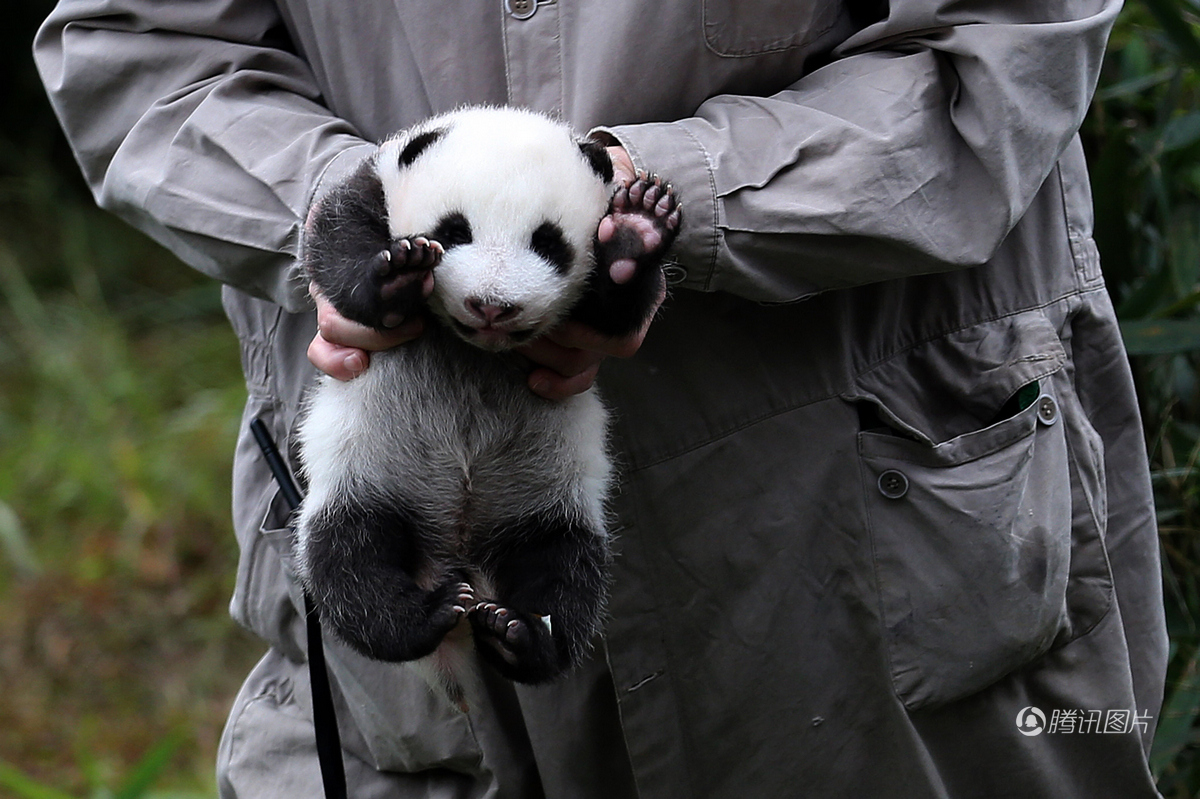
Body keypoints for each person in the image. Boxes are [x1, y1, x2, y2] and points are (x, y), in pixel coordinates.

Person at [34, 0, 1167, 796]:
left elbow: (1000, 46)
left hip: (862, 537)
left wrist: (641, 208)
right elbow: (143, 51)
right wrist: (360, 222)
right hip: (413, 612)